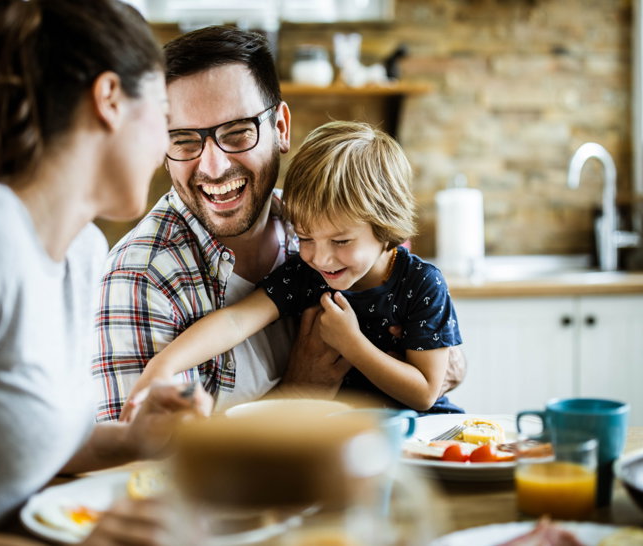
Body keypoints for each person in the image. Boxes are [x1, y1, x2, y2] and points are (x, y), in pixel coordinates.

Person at [93, 25, 466, 422]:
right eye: (184, 140)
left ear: (281, 129)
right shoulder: (142, 278)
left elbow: (434, 378)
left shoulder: (314, 223)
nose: (214, 167)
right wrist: (303, 391)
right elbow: (150, 469)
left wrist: (425, 356)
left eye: (238, 133)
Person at [0, 1, 211, 543]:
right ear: (110, 100)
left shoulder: (83, 252)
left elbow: (17, 444)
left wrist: (137, 440)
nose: (166, 150)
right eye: (166, 117)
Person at [121, 120, 464, 416]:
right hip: (341, 436)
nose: (321, 258)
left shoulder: (421, 283)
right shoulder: (306, 274)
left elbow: (425, 393)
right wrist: (163, 365)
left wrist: (351, 343)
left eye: (341, 241)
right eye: (306, 238)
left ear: (386, 227)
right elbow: (236, 320)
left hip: (421, 433)